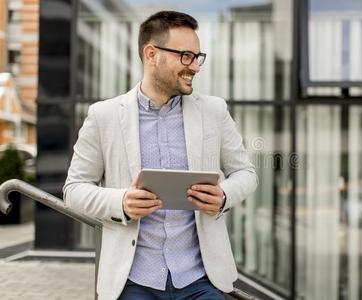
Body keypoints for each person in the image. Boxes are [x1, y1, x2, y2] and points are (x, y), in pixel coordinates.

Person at [63, 10, 258, 300]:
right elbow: (73, 190)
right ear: (152, 54)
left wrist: (224, 196)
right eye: (186, 56)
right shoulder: (103, 115)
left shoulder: (214, 111)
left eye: (197, 57)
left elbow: (246, 174)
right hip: (132, 282)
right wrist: (121, 202)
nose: (195, 67)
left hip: (201, 280)